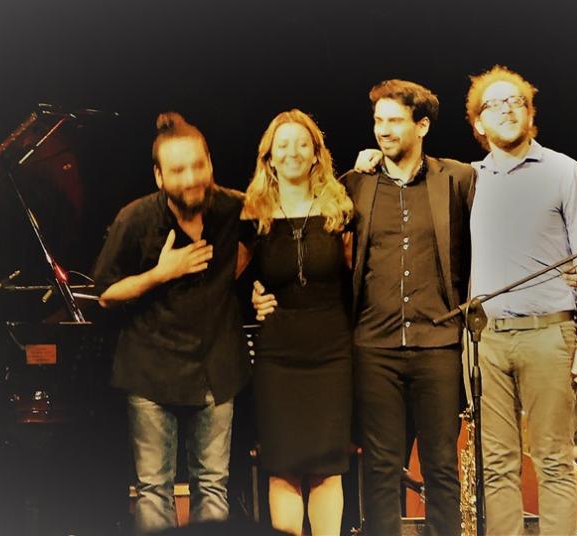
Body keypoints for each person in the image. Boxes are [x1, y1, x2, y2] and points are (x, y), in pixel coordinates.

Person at [254, 80, 474, 536]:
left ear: (422, 126)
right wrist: (257, 292)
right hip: (374, 344)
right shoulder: (355, 186)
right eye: (378, 121)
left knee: (440, 465)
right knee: (380, 466)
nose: (383, 130)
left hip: (437, 341)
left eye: (394, 120)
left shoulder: (457, 179)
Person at [465, 65, 577, 535]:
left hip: (549, 332)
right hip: (486, 339)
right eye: (494, 104)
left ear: (530, 114)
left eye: (516, 102)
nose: (507, 110)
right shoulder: (466, 180)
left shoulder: (564, 171)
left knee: (553, 459)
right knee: (497, 464)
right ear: (478, 122)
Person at [93, 112, 248, 534]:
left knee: (213, 487)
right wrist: (162, 273)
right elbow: (105, 293)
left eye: (198, 165)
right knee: (153, 490)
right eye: (178, 170)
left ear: (210, 162)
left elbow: (280, 216)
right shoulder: (135, 219)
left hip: (216, 366)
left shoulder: (235, 209)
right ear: (159, 176)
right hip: (151, 369)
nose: (191, 178)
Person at [237, 109, 355, 536]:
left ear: (316, 153)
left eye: (302, 143)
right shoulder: (254, 215)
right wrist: (250, 299)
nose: (293, 152)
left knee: (328, 468)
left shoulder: (340, 210)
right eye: (283, 145)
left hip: (332, 355)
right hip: (278, 358)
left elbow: (359, 277)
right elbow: (225, 281)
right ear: (269, 156)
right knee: (282, 467)